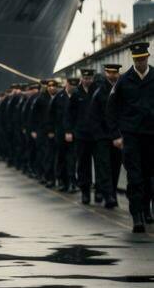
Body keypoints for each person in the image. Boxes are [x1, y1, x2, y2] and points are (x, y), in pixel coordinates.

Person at [107, 41, 154, 233]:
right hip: (131, 135)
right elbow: (112, 108)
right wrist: (116, 134)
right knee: (134, 176)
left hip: (151, 135)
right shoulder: (124, 81)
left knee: (149, 174)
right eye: (137, 60)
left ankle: (146, 208)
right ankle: (137, 216)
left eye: (143, 59)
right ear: (133, 60)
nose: (140, 63)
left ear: (147, 58)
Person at [64, 68, 99, 204]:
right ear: (82, 78)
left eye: (90, 78)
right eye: (85, 78)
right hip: (81, 134)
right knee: (83, 164)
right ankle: (85, 191)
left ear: (93, 78)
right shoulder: (76, 93)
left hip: (96, 134)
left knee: (100, 164)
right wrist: (69, 131)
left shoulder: (98, 90)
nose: (87, 81)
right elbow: (69, 114)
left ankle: (99, 191)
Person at [89, 63, 121, 210]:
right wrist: (98, 135)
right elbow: (94, 117)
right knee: (105, 167)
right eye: (110, 73)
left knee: (115, 166)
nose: (113, 76)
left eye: (115, 73)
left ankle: (112, 192)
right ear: (106, 74)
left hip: (117, 137)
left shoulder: (121, 90)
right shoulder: (99, 93)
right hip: (102, 137)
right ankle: (109, 196)